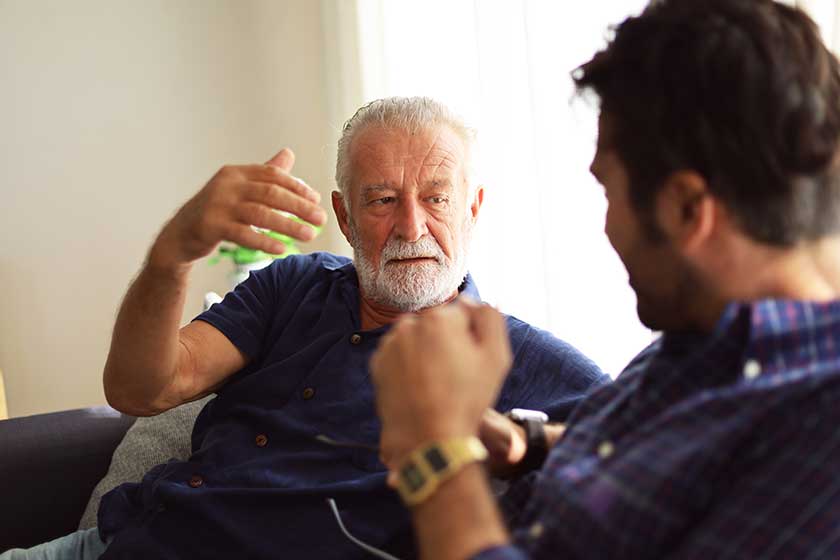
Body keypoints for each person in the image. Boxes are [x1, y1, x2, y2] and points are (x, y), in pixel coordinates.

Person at [1, 97, 607, 560]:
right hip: (119, 543)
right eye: (381, 200)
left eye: (436, 198)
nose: (412, 226)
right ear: (344, 216)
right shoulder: (293, 284)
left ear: (473, 208)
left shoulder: (519, 359)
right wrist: (173, 257)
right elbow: (143, 390)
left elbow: (638, 446)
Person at [369, 1, 840, 558]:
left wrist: (437, 450)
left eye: (608, 190)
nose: (608, 224)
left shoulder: (821, 433)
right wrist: (531, 443)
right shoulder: (705, 337)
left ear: (688, 209)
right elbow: (692, 456)